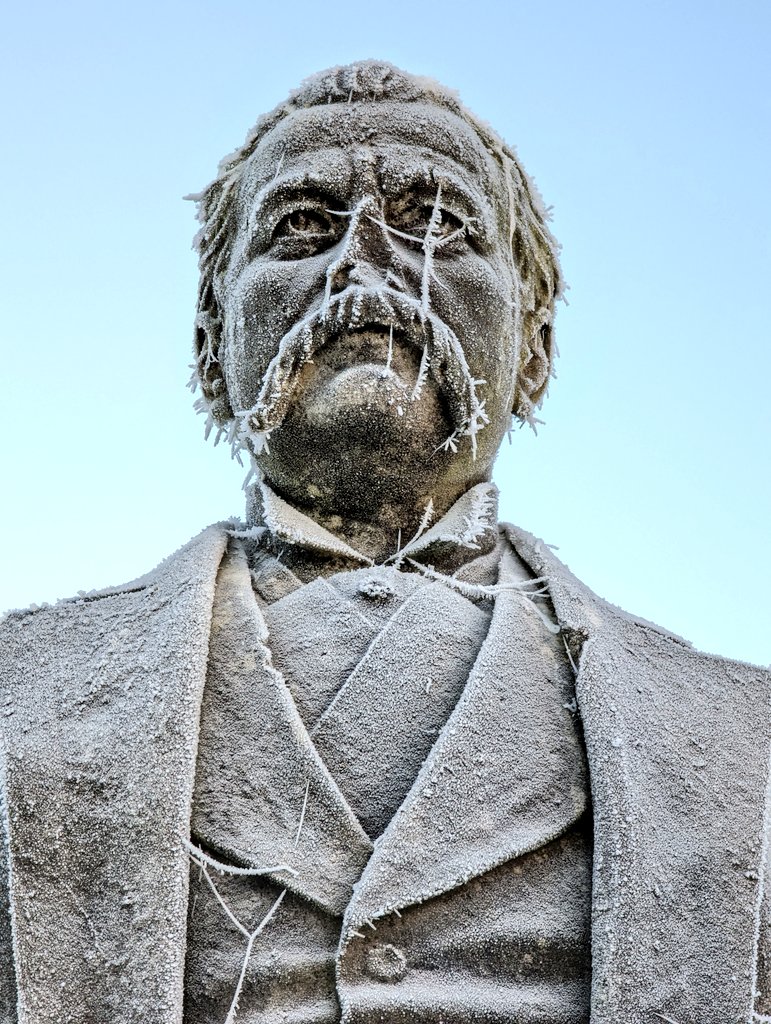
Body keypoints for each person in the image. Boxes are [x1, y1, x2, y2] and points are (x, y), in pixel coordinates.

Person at [0, 60, 768, 1024]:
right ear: (211, 342)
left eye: (436, 223)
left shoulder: (749, 737)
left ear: (531, 345)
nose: (362, 262)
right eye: (301, 228)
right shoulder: (16, 693)